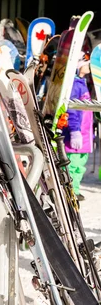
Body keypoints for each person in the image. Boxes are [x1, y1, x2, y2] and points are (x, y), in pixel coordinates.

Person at [63, 56, 93, 201]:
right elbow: (72, 110)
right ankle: (70, 191)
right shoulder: (75, 84)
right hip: (76, 135)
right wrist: (75, 131)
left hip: (85, 134)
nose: (89, 66)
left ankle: (74, 189)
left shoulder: (81, 83)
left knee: (79, 165)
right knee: (73, 165)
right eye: (86, 63)